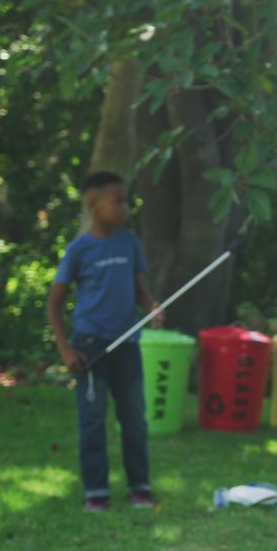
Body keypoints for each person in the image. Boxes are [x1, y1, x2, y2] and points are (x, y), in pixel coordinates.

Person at [47, 171, 163, 512]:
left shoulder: (130, 243)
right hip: (90, 346)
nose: (125, 208)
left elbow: (141, 292)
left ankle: (139, 486)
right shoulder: (78, 250)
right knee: (93, 421)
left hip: (126, 343)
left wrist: (153, 308)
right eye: (118, 201)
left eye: (126, 200)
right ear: (94, 205)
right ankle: (96, 492)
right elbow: (54, 302)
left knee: (134, 418)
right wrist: (65, 349)